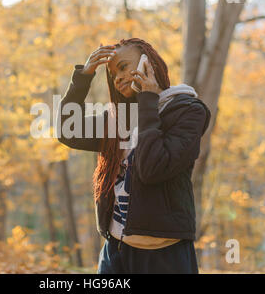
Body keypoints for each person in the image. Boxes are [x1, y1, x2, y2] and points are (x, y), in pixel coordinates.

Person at [57, 38, 211, 274]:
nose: (117, 78)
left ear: (147, 64)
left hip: (165, 255)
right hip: (116, 251)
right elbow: (67, 130)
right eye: (112, 74)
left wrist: (148, 100)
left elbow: (152, 169)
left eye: (123, 67)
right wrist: (84, 76)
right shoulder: (119, 119)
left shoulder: (188, 111)